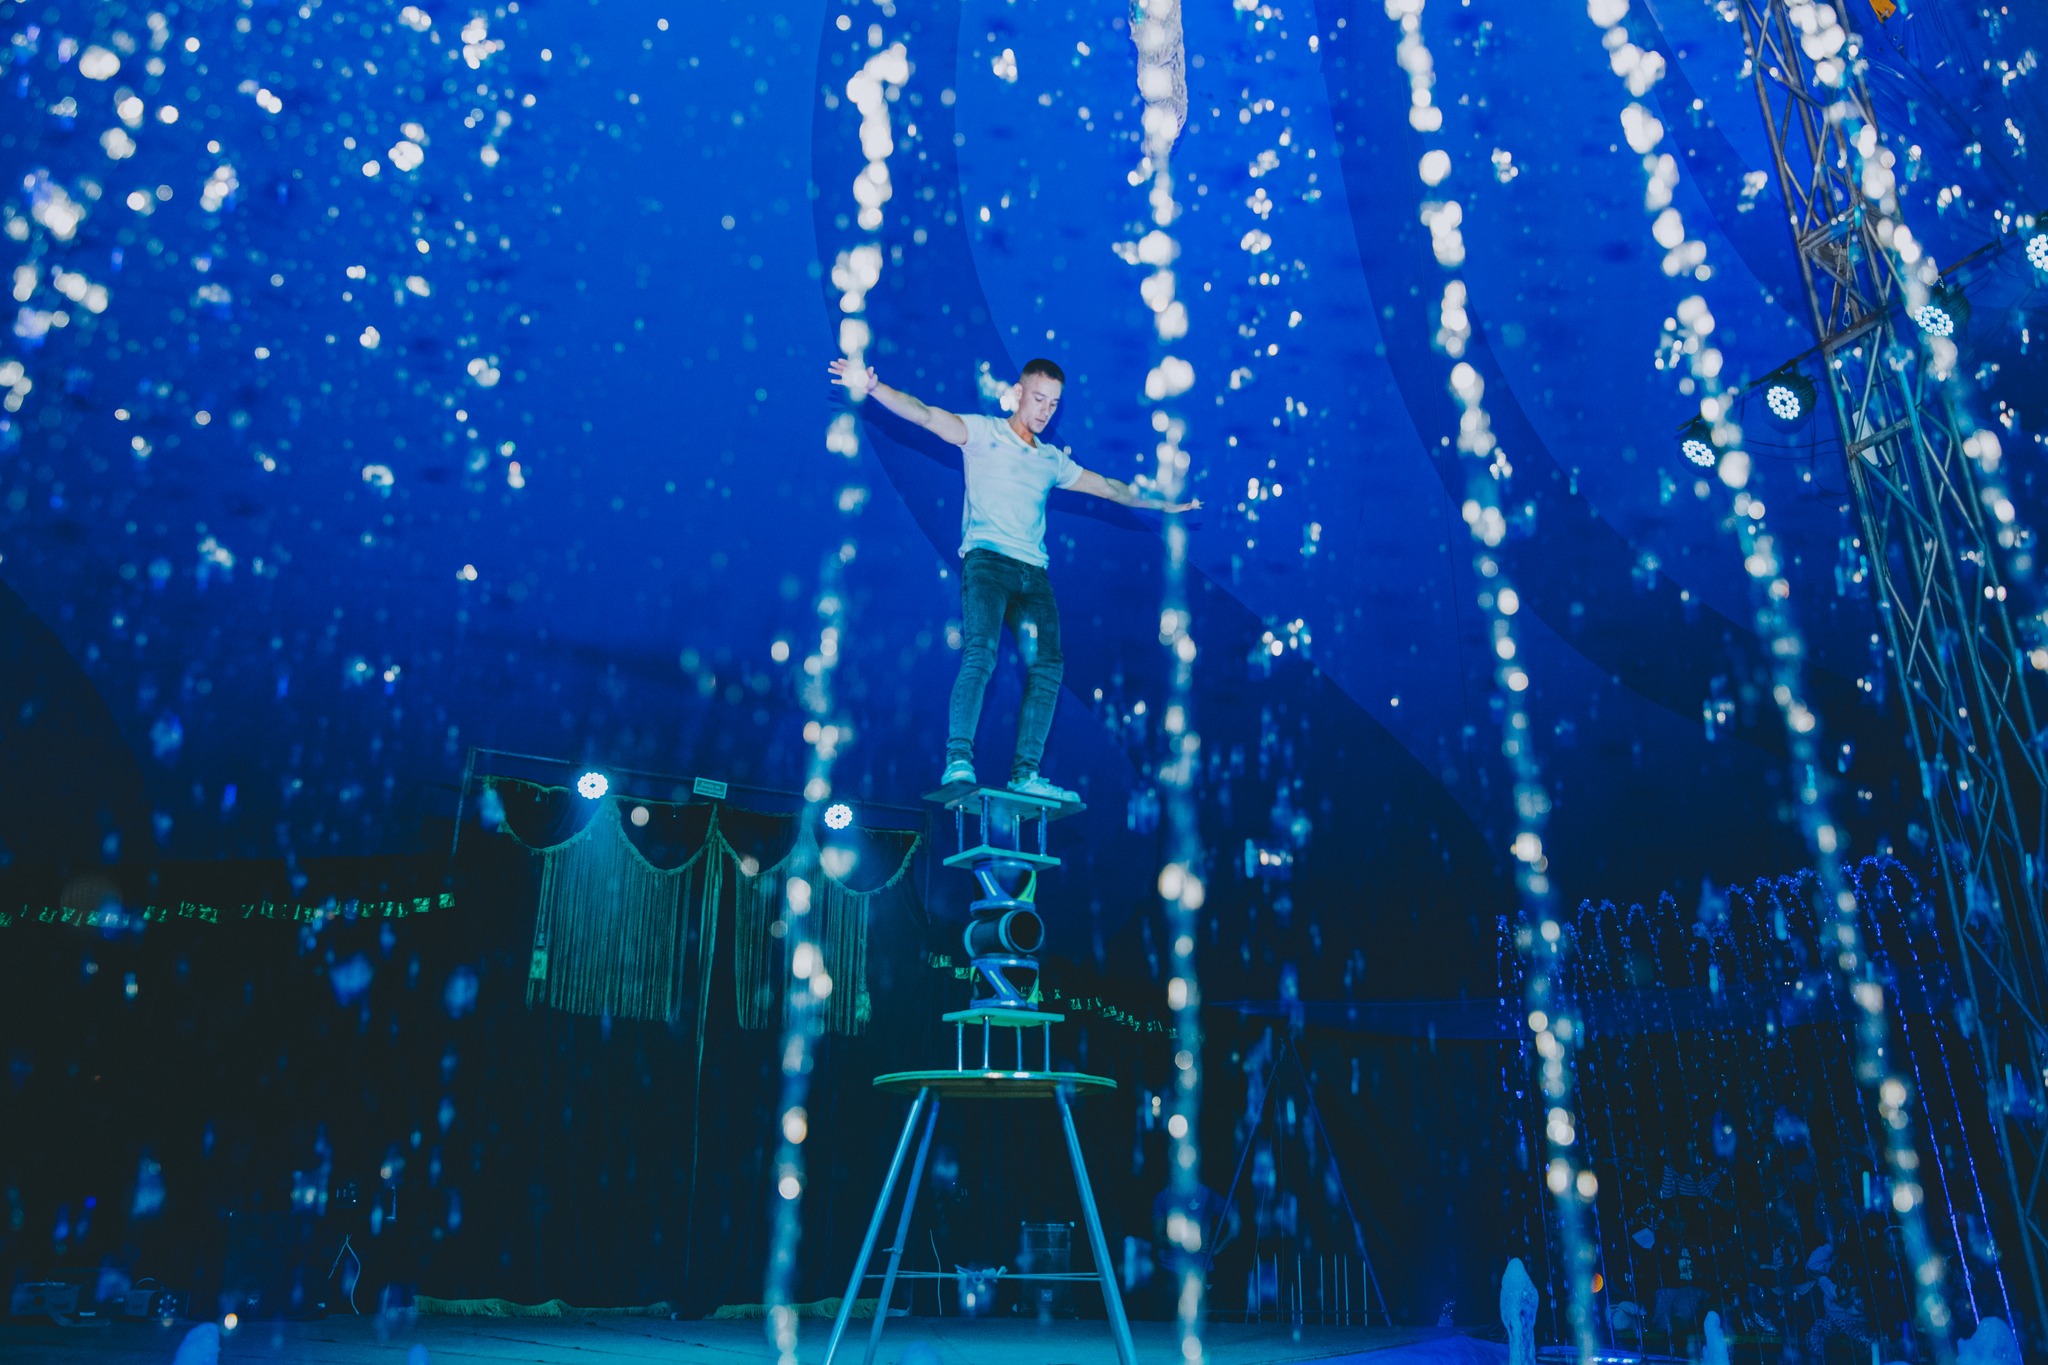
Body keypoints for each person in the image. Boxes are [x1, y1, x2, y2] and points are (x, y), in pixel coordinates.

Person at [828, 355, 1199, 799]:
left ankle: (1026, 773)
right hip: (986, 564)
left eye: (1054, 404)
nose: (1045, 411)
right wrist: (874, 388)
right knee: (980, 652)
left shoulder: (1051, 460)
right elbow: (925, 415)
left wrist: (1166, 505)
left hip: (1034, 577)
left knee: (1049, 667)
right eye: (1039, 399)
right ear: (1019, 394)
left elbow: (1109, 488)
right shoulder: (983, 433)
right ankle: (958, 759)